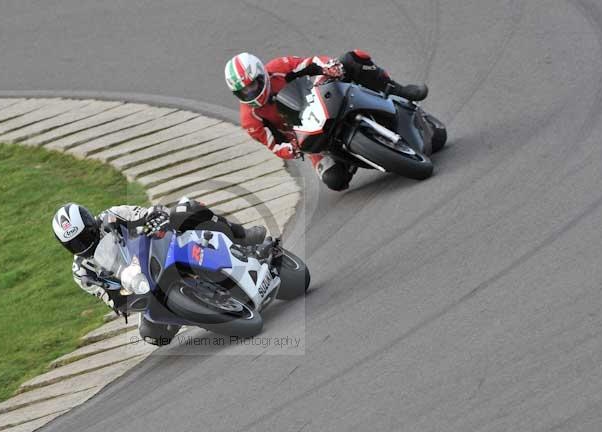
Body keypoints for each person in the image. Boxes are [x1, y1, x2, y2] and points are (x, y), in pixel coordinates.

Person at [51, 199, 267, 344]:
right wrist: (125, 302)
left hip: (157, 251)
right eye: (75, 243)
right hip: (142, 287)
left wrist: (156, 217)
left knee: (186, 207)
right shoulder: (82, 273)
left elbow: (148, 212)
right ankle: (199, 310)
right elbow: (112, 299)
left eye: (84, 236)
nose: (83, 244)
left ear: (90, 223)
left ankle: (242, 237)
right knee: (153, 336)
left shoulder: (112, 216)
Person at [224, 50, 428, 191]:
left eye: (253, 85)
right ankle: (354, 156)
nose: (250, 92)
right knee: (335, 180)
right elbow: (275, 146)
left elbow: (311, 62)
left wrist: (329, 66)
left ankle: (397, 89)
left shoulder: (278, 67)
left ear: (262, 73)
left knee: (353, 59)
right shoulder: (250, 120)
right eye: (243, 91)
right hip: (308, 137)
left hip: (322, 99)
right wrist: (292, 149)